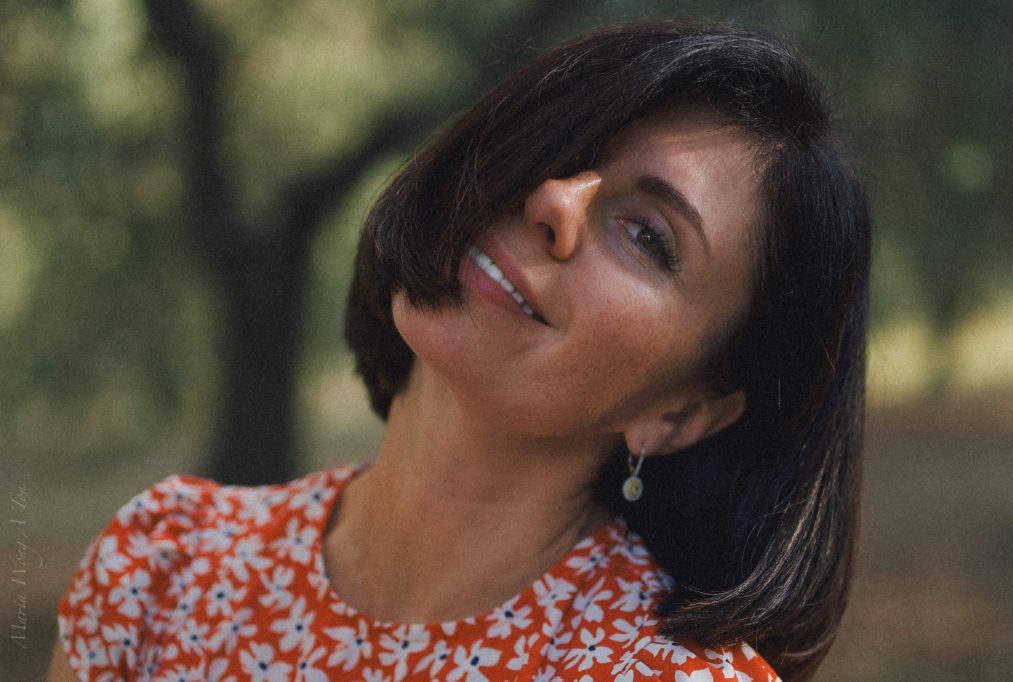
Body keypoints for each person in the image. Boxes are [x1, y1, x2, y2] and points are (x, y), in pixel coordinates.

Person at [49, 18, 870, 682]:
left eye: (648, 235)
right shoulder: (160, 571)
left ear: (681, 410)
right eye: (564, 145)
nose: (550, 196)